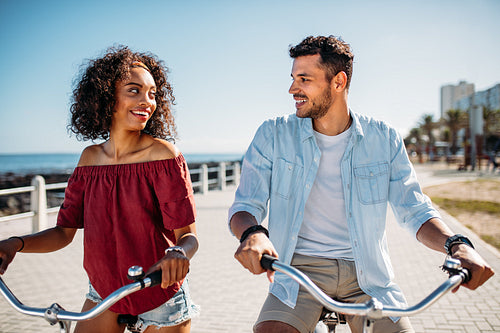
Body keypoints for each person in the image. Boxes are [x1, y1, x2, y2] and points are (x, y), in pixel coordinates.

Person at [229, 36, 494, 333]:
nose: (292, 89)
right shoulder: (273, 134)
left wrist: (457, 245)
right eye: (293, 78)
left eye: (304, 79)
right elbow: (245, 206)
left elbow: (414, 210)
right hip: (297, 271)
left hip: (368, 276)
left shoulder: (384, 138)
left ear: (338, 82)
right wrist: (253, 234)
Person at [0, 46, 199, 333]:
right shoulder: (89, 159)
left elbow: (189, 236)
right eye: (134, 90)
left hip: (160, 294)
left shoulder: (164, 156)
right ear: (107, 97)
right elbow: (63, 233)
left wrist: (179, 252)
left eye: (153, 93)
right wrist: (14, 244)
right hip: (104, 292)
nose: (147, 101)